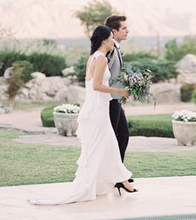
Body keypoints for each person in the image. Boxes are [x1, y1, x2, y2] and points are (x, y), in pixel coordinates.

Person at [30, 25, 137, 205]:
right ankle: (96, 184)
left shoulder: (93, 57)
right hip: (98, 110)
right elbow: (96, 85)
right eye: (111, 38)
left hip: (96, 109)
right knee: (100, 148)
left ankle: (119, 180)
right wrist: (119, 90)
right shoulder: (101, 59)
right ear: (105, 40)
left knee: (108, 146)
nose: (113, 41)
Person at [104, 15, 130, 163]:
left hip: (116, 101)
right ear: (114, 31)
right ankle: (112, 171)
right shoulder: (110, 50)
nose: (128, 31)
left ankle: (117, 170)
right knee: (113, 137)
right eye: (124, 28)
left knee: (123, 135)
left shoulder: (116, 48)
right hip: (109, 101)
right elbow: (103, 76)